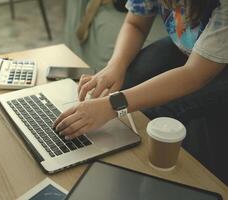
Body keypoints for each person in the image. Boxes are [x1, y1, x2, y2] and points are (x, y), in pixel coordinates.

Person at [53, 0, 228, 142]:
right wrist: (115, 66)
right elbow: (135, 24)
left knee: (156, 111)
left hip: (216, 68)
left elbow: (194, 74)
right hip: (186, 49)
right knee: (123, 85)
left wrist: (111, 106)